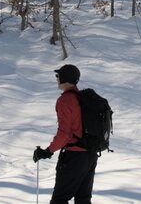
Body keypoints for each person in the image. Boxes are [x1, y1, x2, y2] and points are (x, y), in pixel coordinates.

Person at [32, 64, 98, 204]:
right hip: (90, 155)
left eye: (58, 76)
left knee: (59, 200)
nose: (56, 78)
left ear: (65, 79)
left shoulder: (65, 101)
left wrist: (48, 151)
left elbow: (65, 133)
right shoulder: (82, 98)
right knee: (83, 199)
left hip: (74, 157)